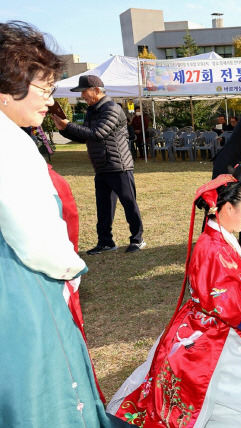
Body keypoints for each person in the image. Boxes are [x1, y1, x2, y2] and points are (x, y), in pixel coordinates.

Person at [112, 164, 241, 426]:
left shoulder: (218, 236)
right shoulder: (212, 249)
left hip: (213, 317)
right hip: (213, 327)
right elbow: (232, 308)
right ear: (227, 209)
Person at [0, 20, 130, 427]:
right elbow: (34, 234)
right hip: (21, 282)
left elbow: (95, 133)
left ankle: (132, 237)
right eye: (44, 89)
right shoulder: (10, 145)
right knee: (42, 378)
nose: (50, 98)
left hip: (116, 167)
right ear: (7, 88)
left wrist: (64, 127)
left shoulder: (108, 109)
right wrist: (70, 269)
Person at [54, 74, 145, 254]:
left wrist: (69, 125)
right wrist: (64, 129)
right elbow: (84, 136)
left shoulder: (111, 108)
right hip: (101, 166)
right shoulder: (92, 110)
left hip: (119, 165)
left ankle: (138, 239)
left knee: (129, 203)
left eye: (84, 92)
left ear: (97, 90)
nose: (82, 96)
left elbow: (97, 133)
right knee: (103, 207)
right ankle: (105, 242)